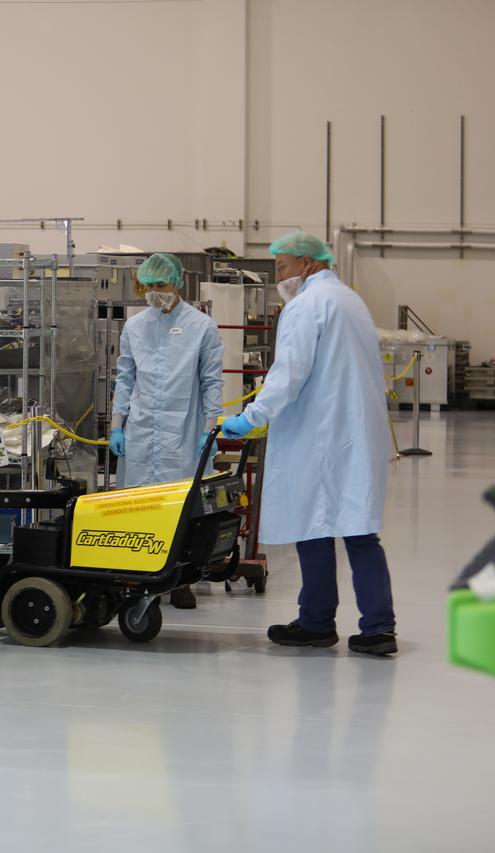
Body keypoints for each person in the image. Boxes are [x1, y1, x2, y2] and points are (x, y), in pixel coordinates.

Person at [221, 231, 397, 656]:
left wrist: (250, 417)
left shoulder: (307, 306)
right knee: (357, 529)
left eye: (282, 267)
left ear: (307, 263)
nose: (279, 275)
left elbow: (289, 373)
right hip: (353, 432)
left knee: (313, 525)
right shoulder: (350, 300)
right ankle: (378, 627)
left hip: (321, 434)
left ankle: (317, 622)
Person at [109, 252, 224, 609]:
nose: (155, 292)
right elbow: (125, 378)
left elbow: (211, 383)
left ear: (177, 282)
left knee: (181, 507)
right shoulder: (135, 326)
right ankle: (141, 576)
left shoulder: (202, 327)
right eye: (150, 286)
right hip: (141, 431)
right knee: (140, 505)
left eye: (161, 285)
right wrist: (117, 425)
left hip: (184, 431)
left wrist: (210, 429)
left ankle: (181, 580)